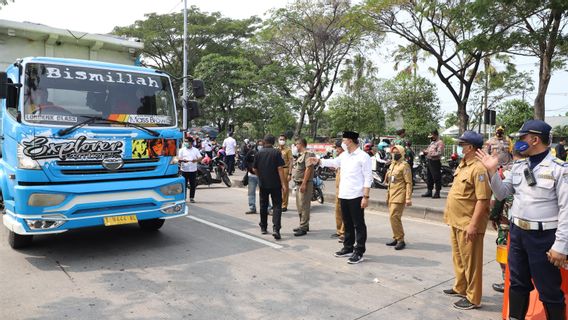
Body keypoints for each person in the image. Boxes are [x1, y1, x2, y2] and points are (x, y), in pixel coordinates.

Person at [476, 120, 568, 320]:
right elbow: (502, 193)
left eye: (521, 138)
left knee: (549, 290)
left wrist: (561, 245)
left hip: (544, 237)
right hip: (517, 234)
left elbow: (566, 210)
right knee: (517, 284)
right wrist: (492, 170)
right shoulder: (519, 166)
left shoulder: (559, 169)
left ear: (535, 139)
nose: (517, 143)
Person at [442, 130, 491, 310]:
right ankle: (460, 287)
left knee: (472, 263)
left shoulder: (478, 169)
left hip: (468, 224)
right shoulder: (463, 165)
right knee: (459, 259)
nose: (460, 147)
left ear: (470, 147)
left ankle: (473, 298)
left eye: (462, 145)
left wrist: (473, 225)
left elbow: (483, 200)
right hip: (456, 221)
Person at [310, 131, 372, 264]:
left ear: (350, 141)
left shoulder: (363, 156)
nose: (342, 143)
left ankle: (359, 251)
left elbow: (368, 178)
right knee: (347, 223)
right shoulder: (344, 156)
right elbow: (333, 162)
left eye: (344, 140)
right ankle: (348, 247)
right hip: (344, 195)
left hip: (356, 195)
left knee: (358, 224)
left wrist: (365, 196)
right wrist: (319, 161)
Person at [489, 149, 523, 294]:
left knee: (503, 251)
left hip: (505, 221)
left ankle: (506, 281)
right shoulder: (524, 170)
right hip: (521, 223)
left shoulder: (504, 174)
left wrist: (493, 217)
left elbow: (496, 200)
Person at [253, 134, 288, 240]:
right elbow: (280, 169)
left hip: (263, 183)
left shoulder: (259, 153)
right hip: (275, 184)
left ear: (264, 141)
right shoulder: (276, 152)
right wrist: (283, 184)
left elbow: (255, 169)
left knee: (263, 205)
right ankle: (276, 229)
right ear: (274, 142)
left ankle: (263, 227)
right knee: (277, 206)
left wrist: (261, 177)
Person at [385, 145, 413, 250]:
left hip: (400, 195)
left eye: (397, 152)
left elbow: (409, 182)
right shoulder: (392, 165)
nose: (394, 154)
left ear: (401, 153)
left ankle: (401, 240)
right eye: (393, 152)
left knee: (394, 216)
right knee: (393, 218)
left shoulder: (404, 166)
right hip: (391, 194)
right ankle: (396, 237)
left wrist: (408, 198)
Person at [291, 138, 315, 236]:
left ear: (301, 144)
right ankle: (303, 224)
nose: (296, 146)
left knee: (304, 206)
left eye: (297, 144)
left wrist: (304, 183)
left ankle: (303, 227)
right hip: (298, 183)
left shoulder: (308, 154)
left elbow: (308, 169)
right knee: (299, 206)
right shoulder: (300, 155)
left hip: (304, 183)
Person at [178, 137, 203, 203]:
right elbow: (178, 159)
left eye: (187, 141)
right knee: (184, 185)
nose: (185, 143)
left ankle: (191, 198)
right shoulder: (182, 150)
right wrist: (183, 160)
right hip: (184, 170)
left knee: (193, 185)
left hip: (193, 170)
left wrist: (196, 160)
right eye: (185, 141)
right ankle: (184, 198)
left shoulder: (195, 150)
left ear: (191, 142)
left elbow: (200, 157)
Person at [422, 129, 444, 198]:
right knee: (429, 177)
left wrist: (429, 153)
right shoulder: (432, 143)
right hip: (429, 161)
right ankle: (429, 191)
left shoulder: (440, 142)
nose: (431, 137)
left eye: (432, 136)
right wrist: (425, 151)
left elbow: (439, 153)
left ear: (436, 135)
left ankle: (437, 192)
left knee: (436, 177)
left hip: (435, 161)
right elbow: (429, 150)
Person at [245, 140, 263, 214]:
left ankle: (268, 208)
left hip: (262, 176)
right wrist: (250, 168)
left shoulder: (264, 153)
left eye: (262, 145)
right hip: (252, 176)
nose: (260, 146)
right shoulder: (251, 152)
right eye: (259, 144)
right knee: (251, 193)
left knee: (264, 193)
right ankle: (252, 208)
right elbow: (245, 161)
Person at [278, 134, 294, 212]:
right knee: (278, 188)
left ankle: (284, 205)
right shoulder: (276, 149)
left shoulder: (288, 150)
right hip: (277, 170)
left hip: (285, 170)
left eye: (283, 139)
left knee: (285, 188)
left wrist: (290, 173)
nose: (281, 140)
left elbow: (291, 162)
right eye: (280, 139)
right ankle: (278, 203)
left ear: (285, 140)